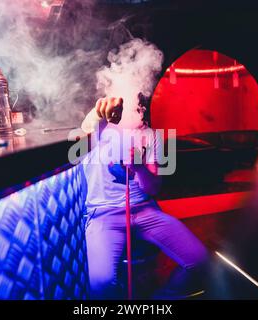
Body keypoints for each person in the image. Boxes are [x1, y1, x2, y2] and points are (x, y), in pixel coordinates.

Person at [80, 95, 209, 299]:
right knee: (101, 284)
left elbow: (154, 188)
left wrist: (140, 168)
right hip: (105, 214)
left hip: (145, 210)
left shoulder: (149, 135)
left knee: (201, 262)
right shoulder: (96, 126)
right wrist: (100, 115)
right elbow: (78, 147)